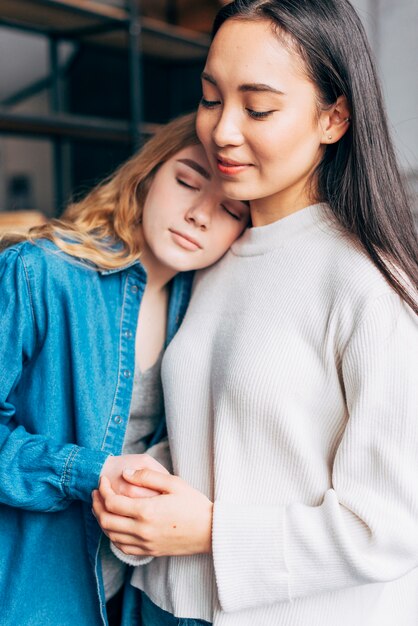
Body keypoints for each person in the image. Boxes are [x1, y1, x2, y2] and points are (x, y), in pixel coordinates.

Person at [93, 1, 418, 625]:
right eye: (211, 98)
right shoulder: (214, 251)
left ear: (334, 117)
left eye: (258, 107)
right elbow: (229, 436)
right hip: (156, 603)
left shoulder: (370, 286)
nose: (222, 131)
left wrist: (211, 531)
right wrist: (146, 480)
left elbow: (391, 524)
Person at [0, 112, 249, 626]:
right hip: (33, 595)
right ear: (148, 174)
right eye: (186, 181)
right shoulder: (39, 272)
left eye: (230, 210)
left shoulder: (198, 302)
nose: (201, 214)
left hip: (129, 594)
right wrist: (87, 471)